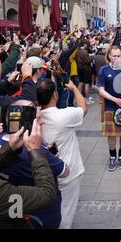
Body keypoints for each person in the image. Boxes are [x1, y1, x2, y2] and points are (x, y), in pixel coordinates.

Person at [0, 101, 69, 229]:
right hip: (42, 215)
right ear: (24, 123)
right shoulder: (39, 152)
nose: (42, 122)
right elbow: (64, 172)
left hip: (13, 210)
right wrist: (41, 152)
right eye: (38, 119)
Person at [36, 79, 86, 229]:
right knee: (65, 212)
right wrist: (74, 89)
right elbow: (83, 108)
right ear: (55, 95)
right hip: (68, 172)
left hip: (43, 172)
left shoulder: (33, 117)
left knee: (49, 210)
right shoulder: (63, 116)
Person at [97, 46, 121, 171]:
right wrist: (114, 99)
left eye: (118, 56)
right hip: (110, 106)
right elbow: (101, 90)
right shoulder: (104, 70)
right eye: (114, 56)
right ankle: (112, 157)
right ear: (109, 56)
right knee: (111, 135)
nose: (116, 58)